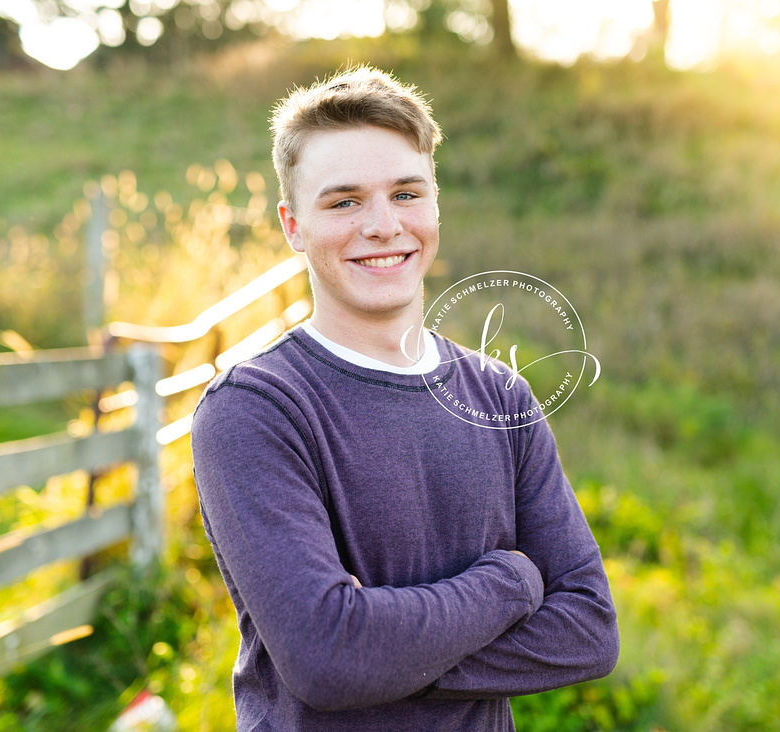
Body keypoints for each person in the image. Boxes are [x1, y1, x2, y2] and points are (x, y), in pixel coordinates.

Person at [191, 65, 618, 732]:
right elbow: (327, 661)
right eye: (344, 202)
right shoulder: (255, 409)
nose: (384, 226)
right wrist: (509, 582)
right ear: (293, 224)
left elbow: (589, 629)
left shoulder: (500, 395)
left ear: (436, 206)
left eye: (406, 193)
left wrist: (379, 652)